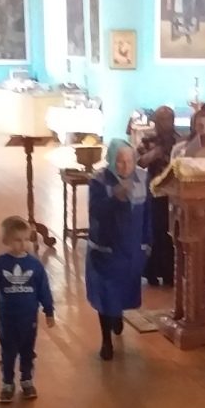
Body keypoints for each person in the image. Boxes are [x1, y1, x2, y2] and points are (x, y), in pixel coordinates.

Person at [0, 216, 56, 402]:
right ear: (6, 241)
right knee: (8, 352)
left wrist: (49, 311)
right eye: (17, 240)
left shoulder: (35, 265)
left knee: (27, 351)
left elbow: (44, 290)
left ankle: (27, 380)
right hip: (7, 319)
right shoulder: (0, 264)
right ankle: (7, 383)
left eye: (26, 239)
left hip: (29, 319)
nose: (22, 244)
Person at [86, 140, 152, 360]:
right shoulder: (99, 180)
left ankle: (117, 315)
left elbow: (147, 213)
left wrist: (147, 242)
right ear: (111, 161)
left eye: (129, 161)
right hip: (105, 250)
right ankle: (106, 340)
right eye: (120, 162)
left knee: (122, 291)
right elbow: (96, 211)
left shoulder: (143, 177)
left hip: (131, 249)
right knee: (106, 295)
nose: (125, 166)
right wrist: (115, 198)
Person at [137, 106, 178, 286]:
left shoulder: (179, 140)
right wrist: (154, 154)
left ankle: (170, 273)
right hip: (154, 192)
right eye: (161, 120)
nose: (165, 123)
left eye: (168, 119)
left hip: (174, 193)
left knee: (171, 233)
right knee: (155, 230)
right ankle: (152, 272)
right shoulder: (148, 140)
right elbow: (139, 162)